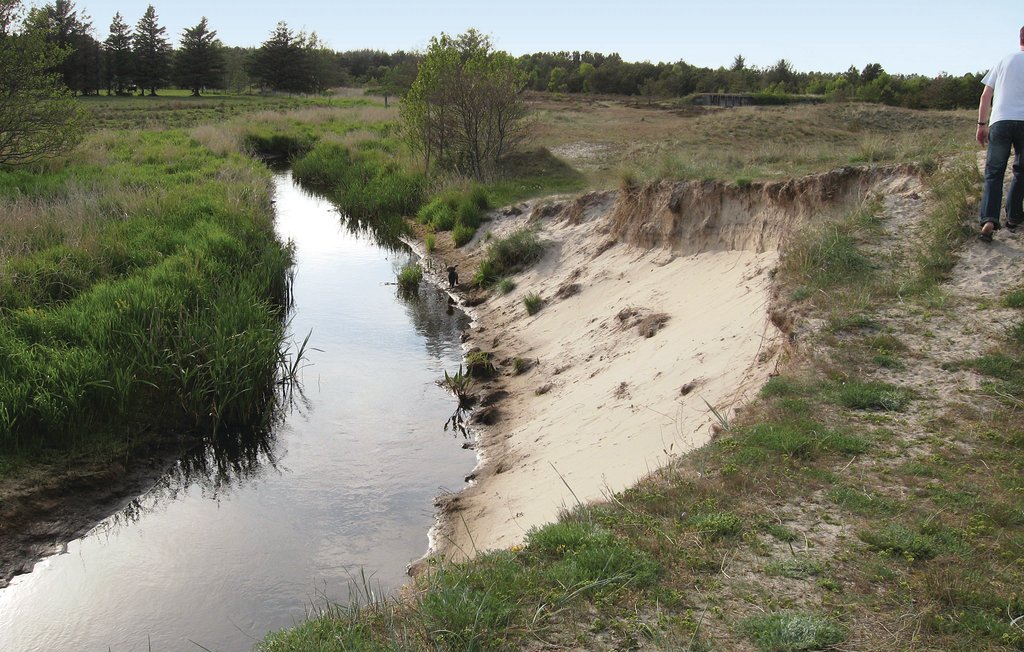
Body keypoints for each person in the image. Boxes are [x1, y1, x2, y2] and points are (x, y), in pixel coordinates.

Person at [978, 26, 1024, 242]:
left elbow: (986, 95)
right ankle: (1014, 216)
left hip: (1001, 121)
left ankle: (988, 220)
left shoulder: (1004, 60)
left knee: (994, 173)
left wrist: (981, 124)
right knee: (1021, 171)